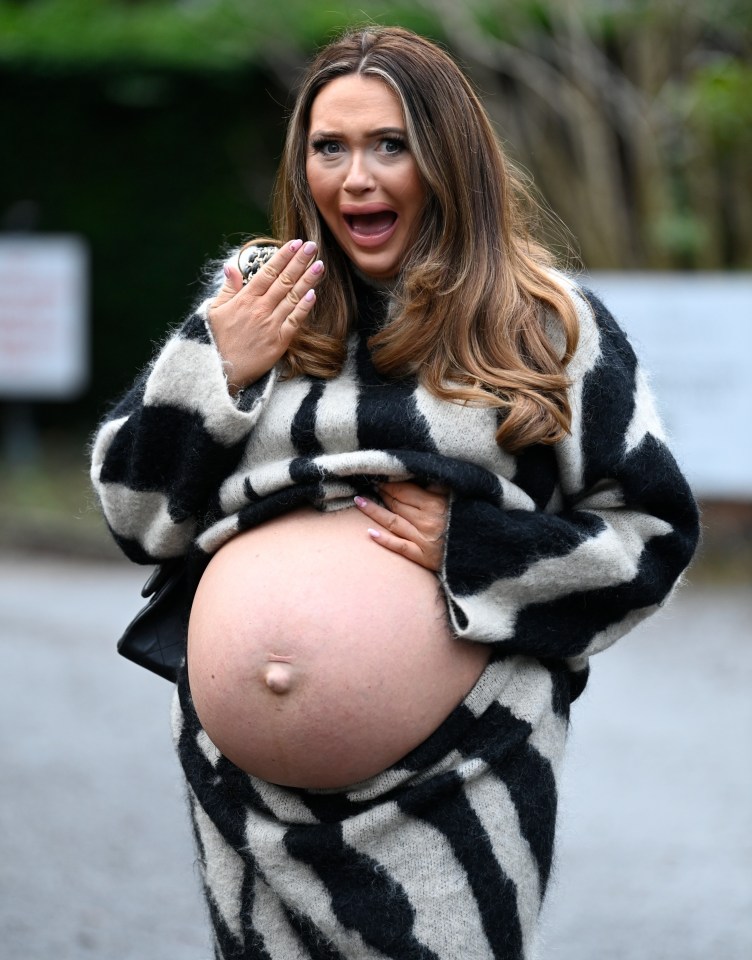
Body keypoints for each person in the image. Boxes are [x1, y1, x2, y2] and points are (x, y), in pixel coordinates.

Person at [91, 25, 699, 960]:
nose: (356, 178)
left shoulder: (545, 323)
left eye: (391, 145)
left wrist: (479, 550)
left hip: (461, 778)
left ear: (449, 158)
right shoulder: (259, 299)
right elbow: (135, 517)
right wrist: (218, 364)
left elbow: (652, 535)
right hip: (246, 791)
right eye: (328, 147)